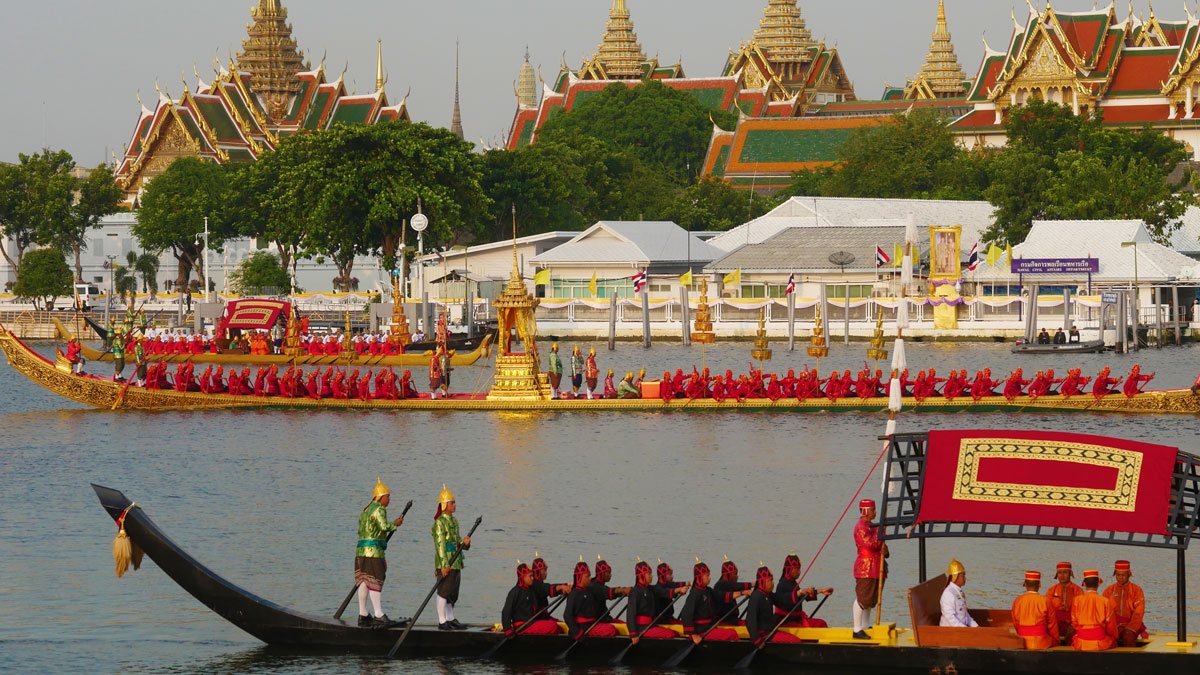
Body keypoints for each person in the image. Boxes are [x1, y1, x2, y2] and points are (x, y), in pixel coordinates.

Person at [354, 478, 406, 628]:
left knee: (363, 581)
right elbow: (383, 526)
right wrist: (395, 524)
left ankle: (363, 614)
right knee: (375, 580)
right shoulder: (379, 509)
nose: (389, 499)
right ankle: (378, 614)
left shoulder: (365, 511)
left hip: (360, 552)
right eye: (388, 496)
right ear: (380, 497)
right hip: (373, 552)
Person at [432, 484, 470, 630]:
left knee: (453, 591)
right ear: (445, 505)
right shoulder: (440, 522)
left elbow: (457, 541)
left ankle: (450, 617)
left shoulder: (454, 521)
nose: (454, 505)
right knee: (444, 591)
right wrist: (443, 563)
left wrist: (465, 543)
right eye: (452, 503)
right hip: (446, 560)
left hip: (456, 560)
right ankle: (442, 621)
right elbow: (440, 544)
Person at [680, 560, 745, 642]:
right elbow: (685, 615)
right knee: (732, 633)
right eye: (707, 576)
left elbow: (723, 596)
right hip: (700, 631)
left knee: (731, 632)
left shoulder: (708, 590)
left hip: (709, 627)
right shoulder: (695, 594)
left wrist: (743, 593)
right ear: (700, 577)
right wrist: (694, 635)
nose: (710, 578)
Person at [852, 499, 888, 640]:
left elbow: (880, 546)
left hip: (877, 565)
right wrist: (880, 531)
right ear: (866, 511)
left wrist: (885, 551)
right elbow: (871, 545)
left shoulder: (872, 526)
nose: (875, 512)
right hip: (865, 567)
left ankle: (865, 625)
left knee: (871, 598)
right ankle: (856, 628)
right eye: (873, 509)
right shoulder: (860, 527)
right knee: (863, 597)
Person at [501, 562, 562, 636]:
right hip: (522, 626)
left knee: (559, 627)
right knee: (552, 626)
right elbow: (506, 611)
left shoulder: (532, 590)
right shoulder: (515, 592)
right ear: (523, 577)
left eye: (533, 576)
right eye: (530, 576)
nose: (532, 578)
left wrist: (563, 588)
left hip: (532, 622)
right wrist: (508, 630)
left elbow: (544, 589)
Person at [773, 553, 832, 627]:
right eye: (797, 569)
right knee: (819, 625)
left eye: (799, 569)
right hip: (786, 621)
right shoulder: (782, 584)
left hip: (796, 619)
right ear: (789, 569)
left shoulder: (793, 583)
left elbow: (802, 596)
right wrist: (800, 592)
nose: (799, 572)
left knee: (822, 623)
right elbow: (786, 600)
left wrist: (821, 591)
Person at [563, 559, 619, 637]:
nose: (590, 578)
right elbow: (567, 615)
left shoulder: (590, 590)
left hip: (592, 624)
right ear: (580, 577)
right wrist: (577, 633)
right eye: (587, 576)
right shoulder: (574, 593)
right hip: (584, 627)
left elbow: (604, 591)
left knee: (614, 628)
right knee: (611, 629)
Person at [747, 565, 802, 644]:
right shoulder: (756, 596)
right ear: (763, 581)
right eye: (770, 580)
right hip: (763, 634)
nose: (773, 583)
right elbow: (750, 621)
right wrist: (757, 640)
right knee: (795, 641)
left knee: (795, 638)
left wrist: (800, 593)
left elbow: (782, 599)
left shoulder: (768, 594)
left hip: (771, 631)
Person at [627, 560, 677, 641]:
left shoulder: (650, 589)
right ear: (641, 575)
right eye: (649, 574)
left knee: (675, 633)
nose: (652, 576)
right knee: (670, 634)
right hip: (641, 628)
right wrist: (633, 634)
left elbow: (662, 591)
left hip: (650, 625)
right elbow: (630, 614)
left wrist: (677, 590)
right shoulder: (635, 592)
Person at [1102, 560, 1147, 647]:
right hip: (1113, 626)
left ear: (1129, 574)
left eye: (1123, 575)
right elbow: (1104, 612)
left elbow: (1139, 613)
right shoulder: (1108, 590)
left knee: (1128, 637)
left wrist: (1131, 628)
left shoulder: (1137, 590)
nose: (1120, 577)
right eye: (1118, 575)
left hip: (1129, 626)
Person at [1071, 569, 1118, 651]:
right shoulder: (1105, 601)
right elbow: (1111, 626)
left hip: (1082, 642)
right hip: (1100, 643)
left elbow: (1074, 622)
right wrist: (1114, 637)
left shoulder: (1076, 600)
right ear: (1098, 584)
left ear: (1084, 584)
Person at [1012, 571, 1058, 650]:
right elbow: (1052, 624)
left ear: (1025, 584)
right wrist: (1056, 640)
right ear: (1039, 584)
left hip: (1022, 641)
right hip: (1041, 642)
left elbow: (1015, 623)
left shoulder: (1018, 601)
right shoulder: (1045, 601)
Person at [1046, 561, 1083, 642]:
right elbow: (1047, 609)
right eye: (1059, 573)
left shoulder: (1077, 590)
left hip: (1071, 621)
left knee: (1072, 630)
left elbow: (1081, 610)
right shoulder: (1051, 590)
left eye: (1065, 572)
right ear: (1057, 574)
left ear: (1070, 574)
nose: (1062, 576)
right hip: (1055, 621)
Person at [939, 559, 979, 627]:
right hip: (949, 632)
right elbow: (951, 619)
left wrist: (976, 627)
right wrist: (966, 630)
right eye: (962, 576)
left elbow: (965, 615)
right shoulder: (948, 594)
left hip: (961, 630)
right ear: (955, 577)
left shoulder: (959, 591)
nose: (965, 579)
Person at [712, 559, 753, 626]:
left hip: (733, 621)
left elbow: (735, 587)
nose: (737, 576)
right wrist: (754, 584)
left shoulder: (729, 585)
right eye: (735, 574)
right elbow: (735, 586)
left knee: (754, 624)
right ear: (726, 575)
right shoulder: (720, 585)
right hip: (723, 622)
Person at [591, 557, 631, 622]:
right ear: (602, 573)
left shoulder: (599, 585)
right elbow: (609, 592)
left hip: (605, 619)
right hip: (598, 621)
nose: (610, 575)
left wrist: (629, 590)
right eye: (608, 573)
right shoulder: (594, 586)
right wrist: (623, 590)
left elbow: (612, 591)